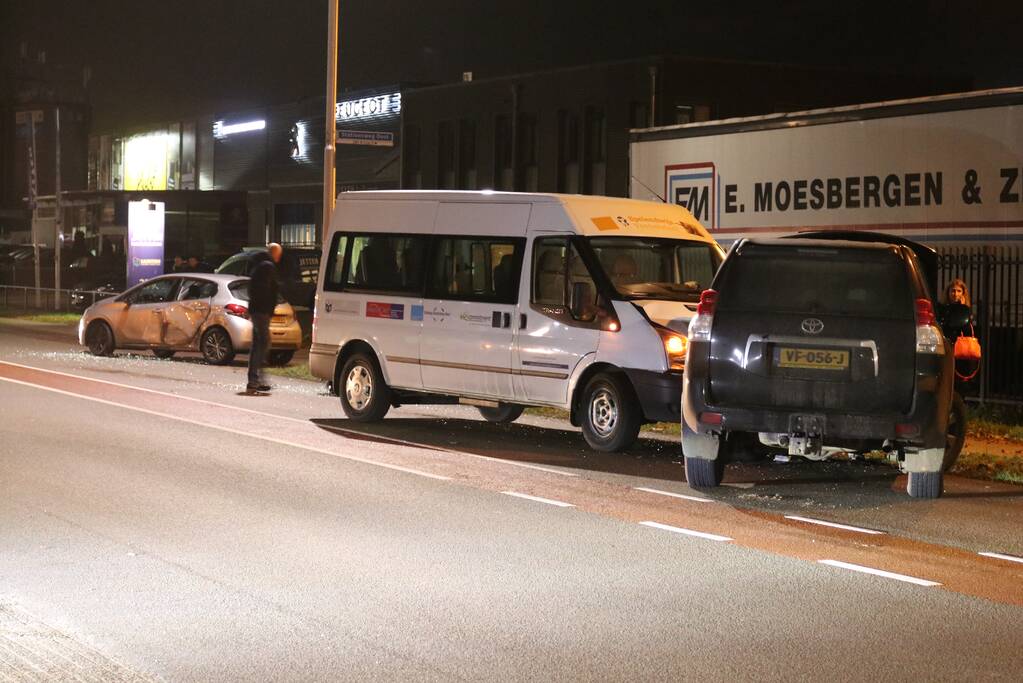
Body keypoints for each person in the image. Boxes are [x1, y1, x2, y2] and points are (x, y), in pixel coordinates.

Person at [246, 243, 282, 393]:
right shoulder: (268, 267)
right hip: (261, 310)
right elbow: (268, 289)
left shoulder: (259, 266)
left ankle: (256, 379)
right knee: (263, 343)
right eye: (279, 253)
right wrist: (269, 307)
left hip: (256, 309)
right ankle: (255, 380)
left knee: (258, 345)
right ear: (275, 253)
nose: (280, 257)